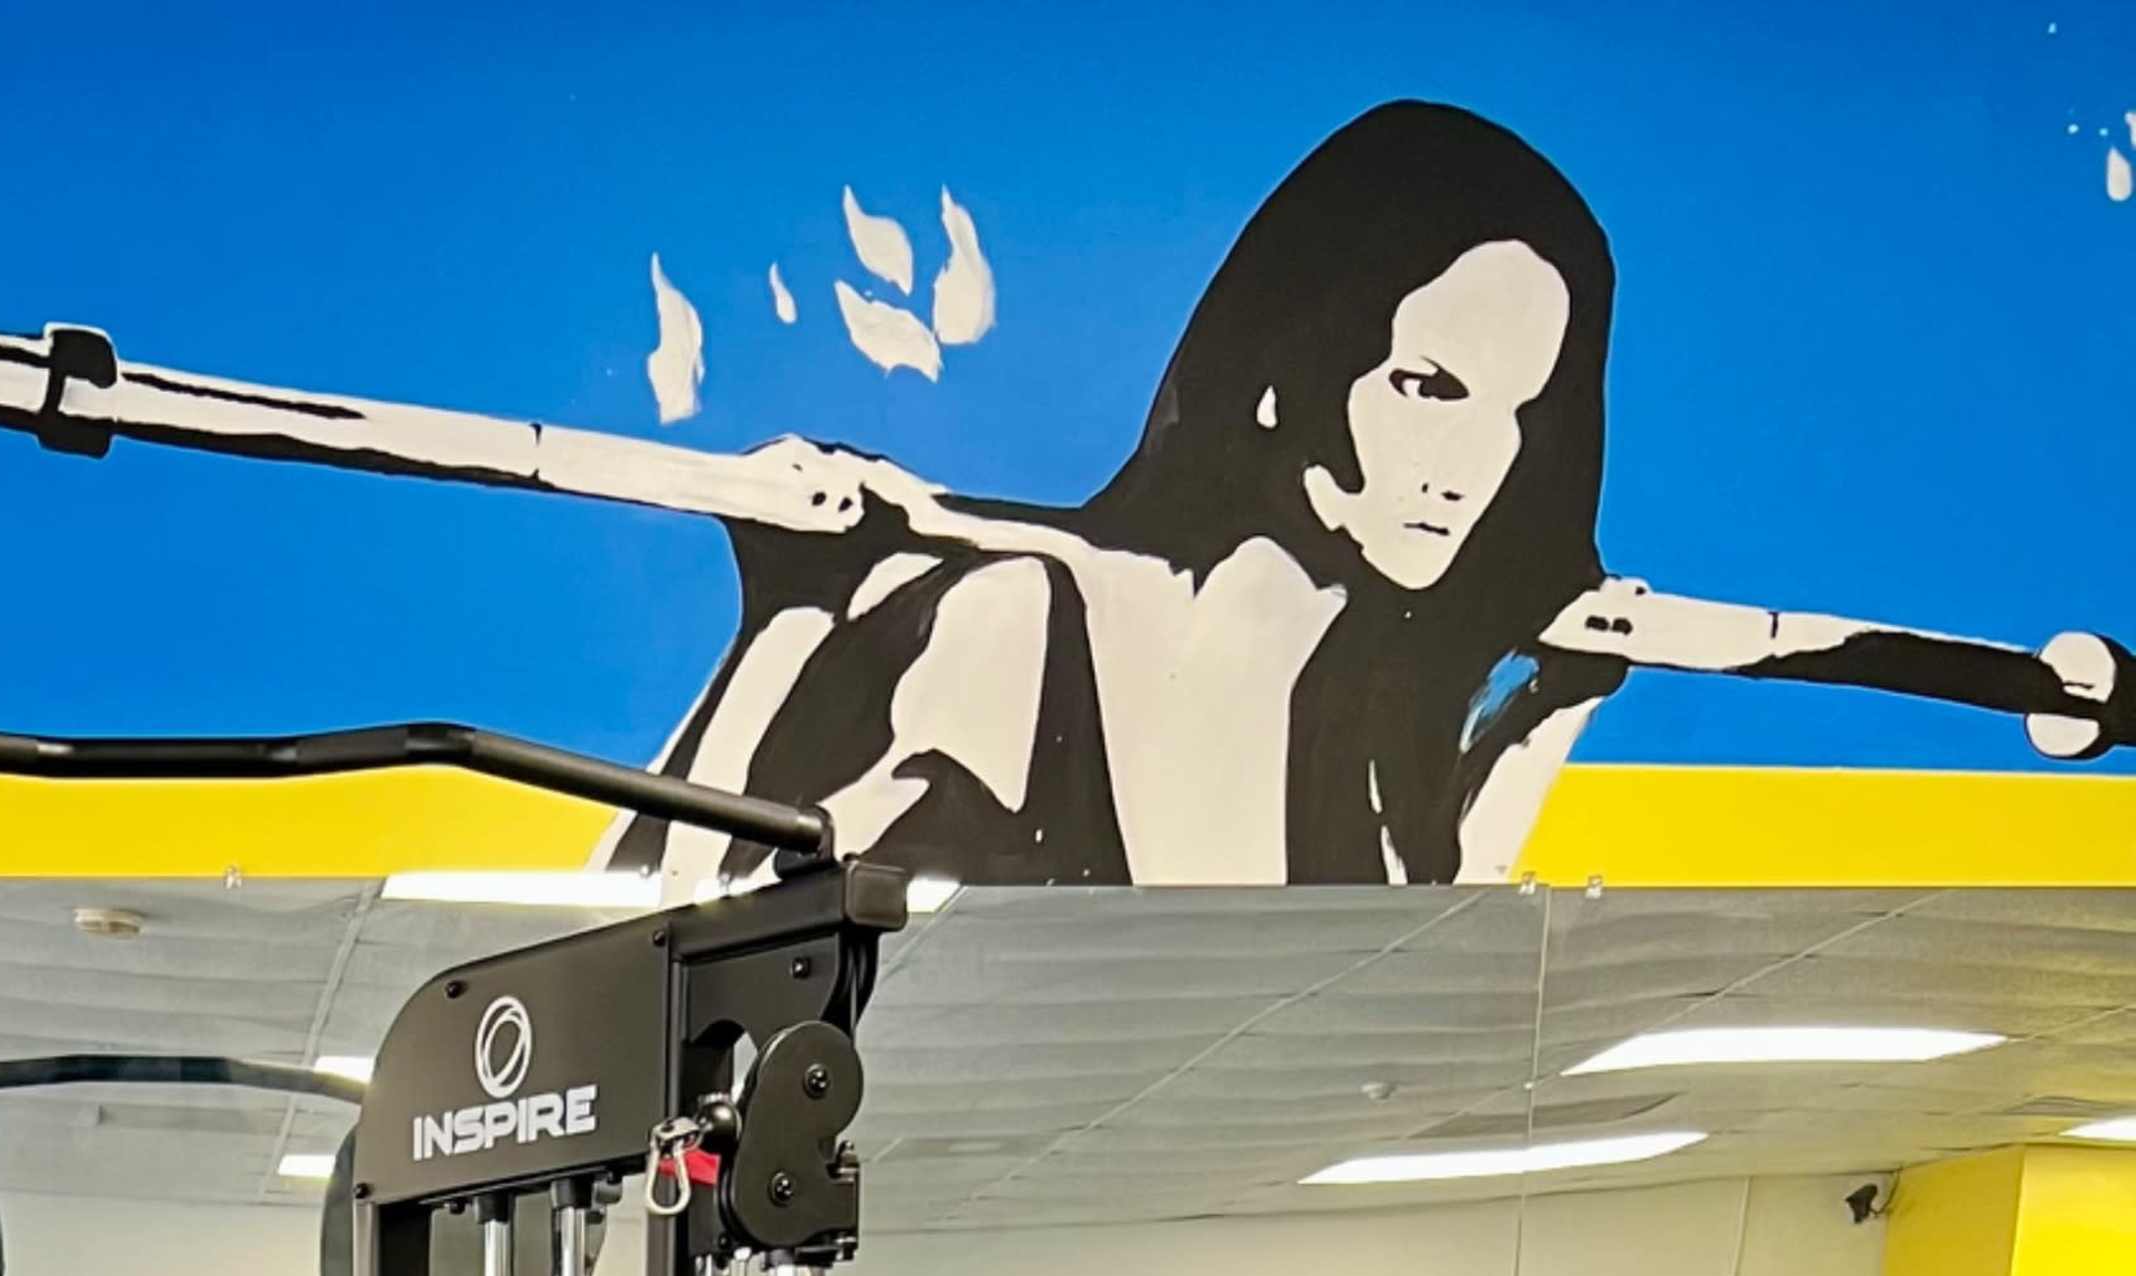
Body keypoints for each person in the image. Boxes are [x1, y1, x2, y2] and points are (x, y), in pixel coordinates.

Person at [665, 106, 1625, 885]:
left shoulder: (1364, 721)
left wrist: (1555, 709)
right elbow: (681, 929)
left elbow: (1424, 1018)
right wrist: (786, 620)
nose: (1473, 462)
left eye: (1519, 411)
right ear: (1291, 368)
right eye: (1427, 386)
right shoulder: (1020, 624)